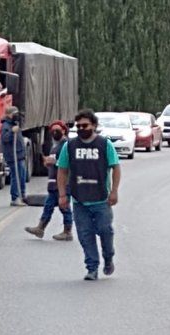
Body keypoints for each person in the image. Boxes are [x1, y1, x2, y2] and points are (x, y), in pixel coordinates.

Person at [57, 109, 121, 281]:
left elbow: (115, 167)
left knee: (105, 231)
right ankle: (92, 268)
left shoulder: (105, 145)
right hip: (79, 201)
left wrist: (114, 191)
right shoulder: (69, 146)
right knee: (85, 235)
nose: (81, 129)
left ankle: (108, 257)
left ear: (94, 125)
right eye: (78, 126)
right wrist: (62, 195)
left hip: (101, 200)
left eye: (84, 125)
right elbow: (62, 170)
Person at [24, 120, 73, 241]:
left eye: (57, 130)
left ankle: (67, 231)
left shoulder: (67, 146)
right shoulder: (55, 146)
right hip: (53, 183)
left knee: (64, 207)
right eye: (52, 130)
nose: (55, 132)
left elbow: (69, 163)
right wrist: (48, 162)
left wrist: (55, 162)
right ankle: (40, 228)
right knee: (48, 206)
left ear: (64, 130)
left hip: (63, 183)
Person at [0, 106, 27, 206]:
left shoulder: (15, 124)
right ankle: (15, 197)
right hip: (13, 156)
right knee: (16, 176)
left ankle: (22, 196)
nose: (16, 116)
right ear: (9, 115)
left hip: (19, 155)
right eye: (14, 114)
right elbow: (5, 138)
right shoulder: (6, 126)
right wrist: (12, 132)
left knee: (22, 176)